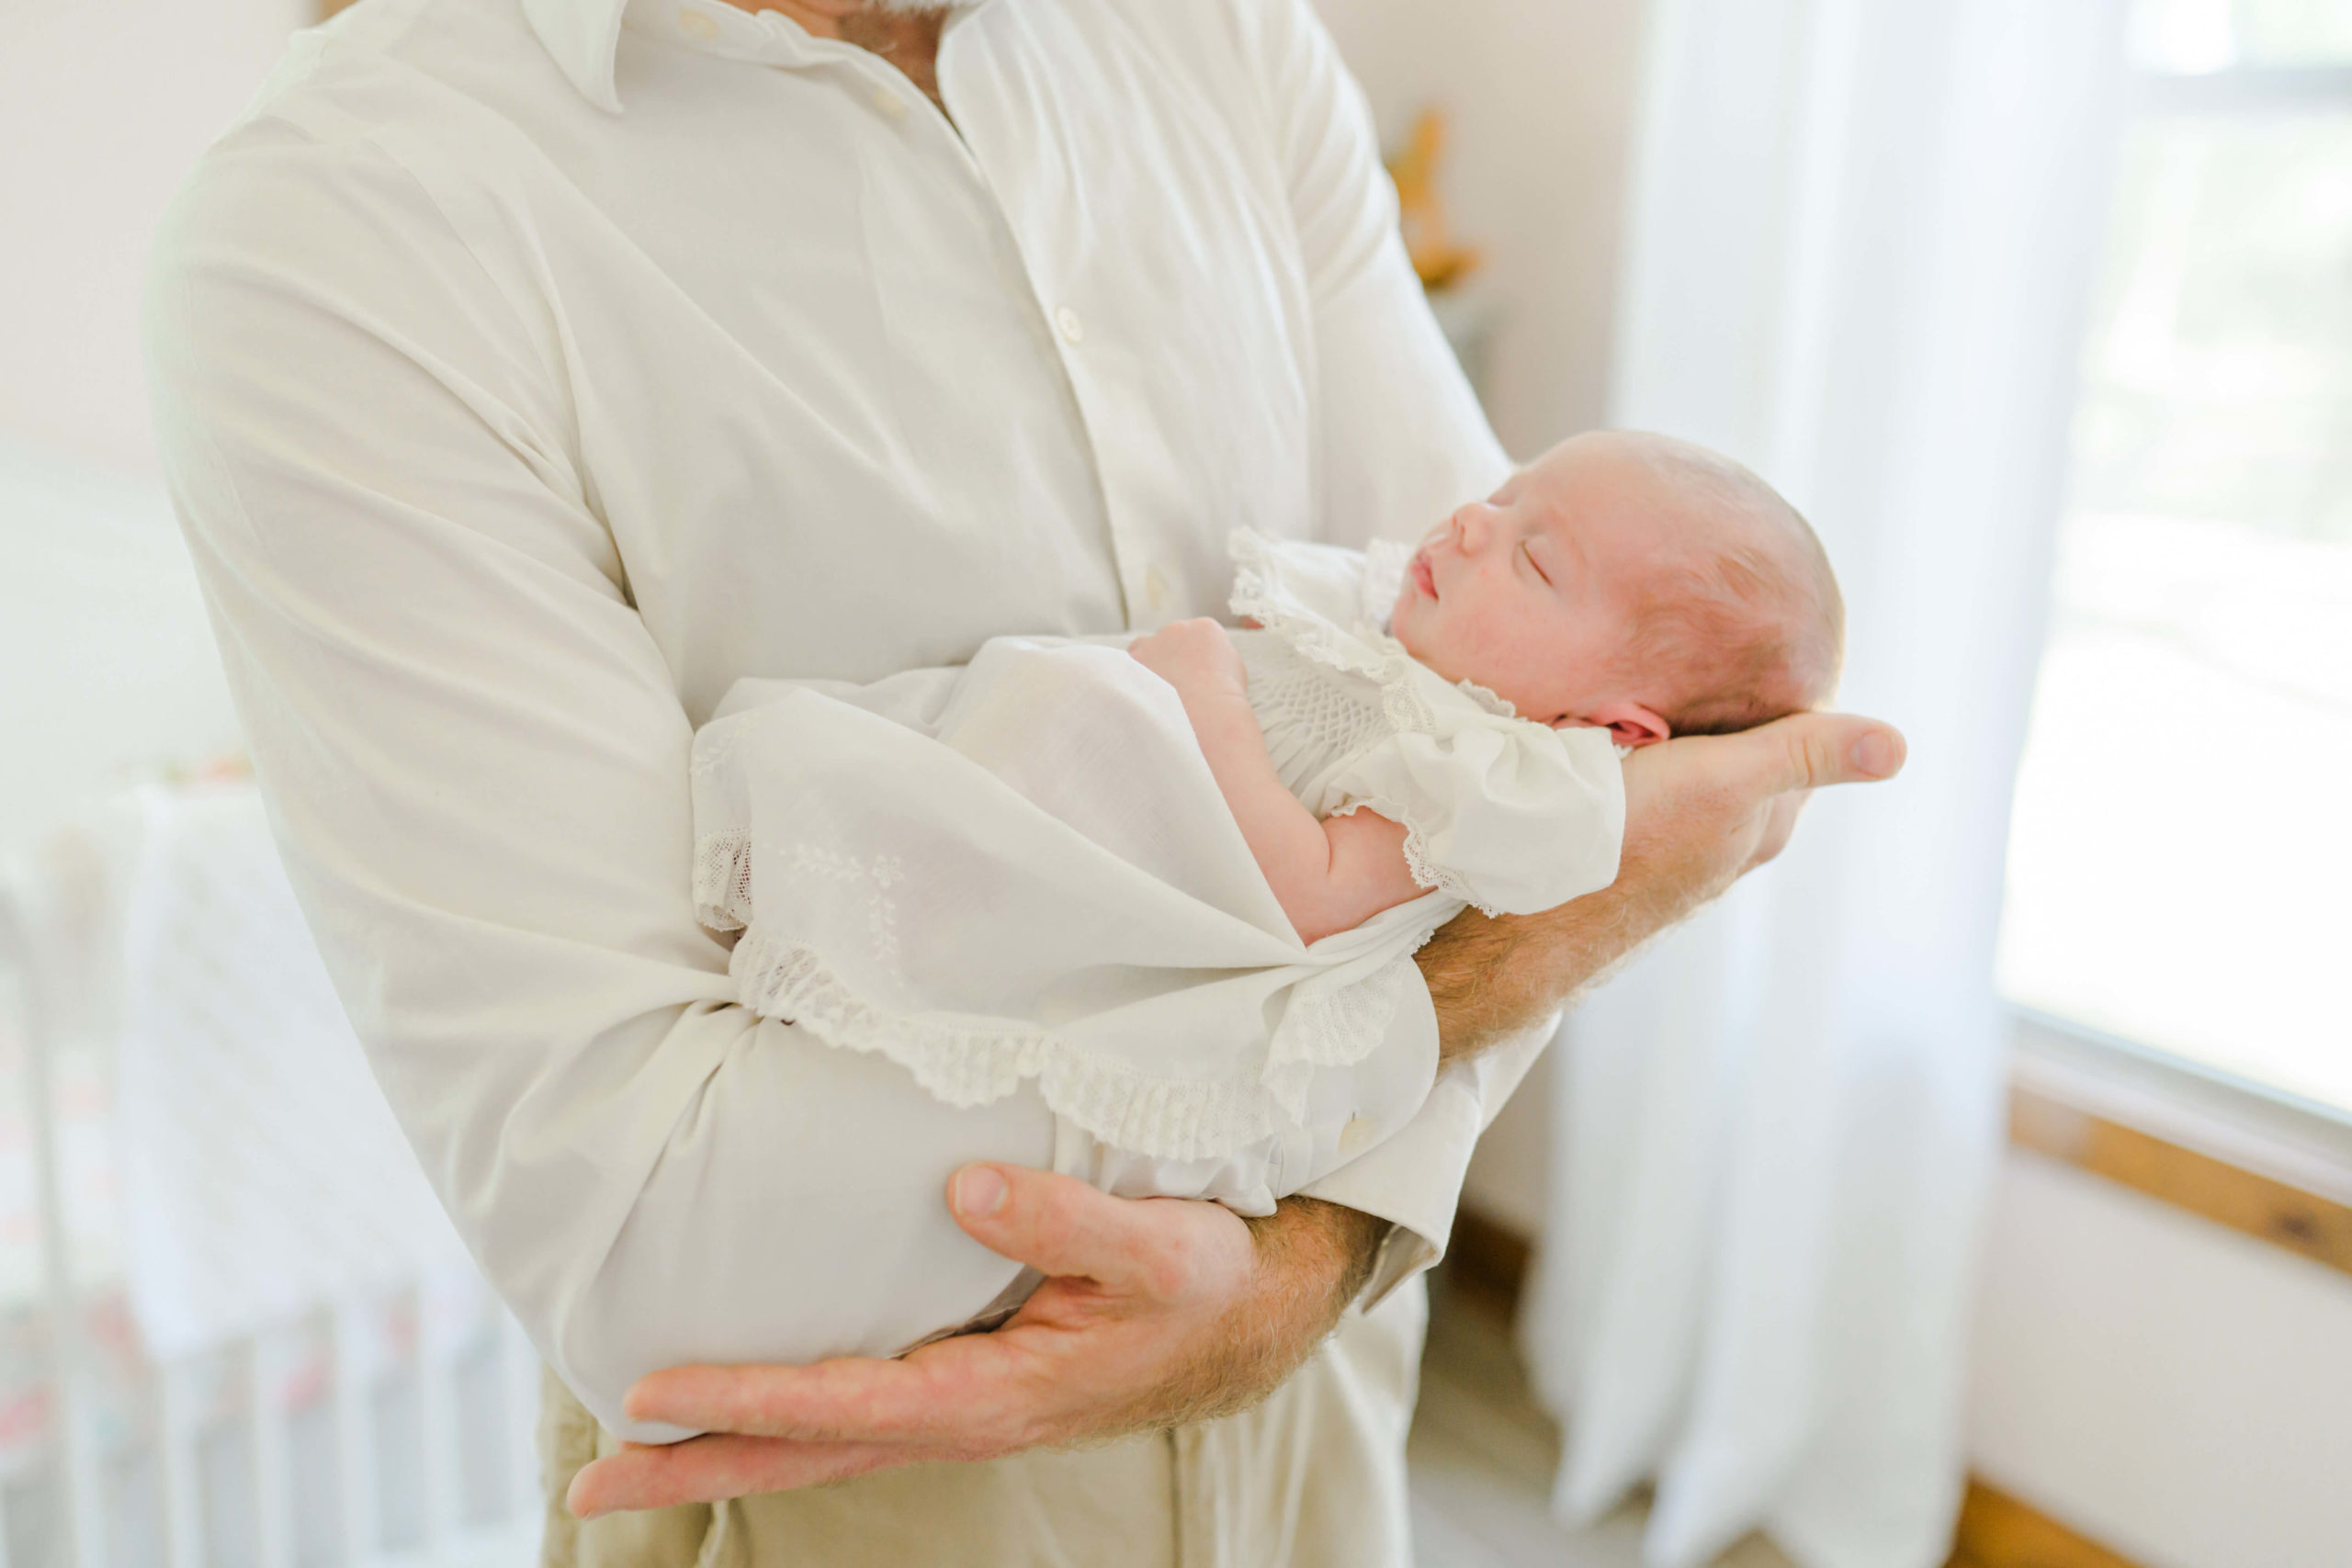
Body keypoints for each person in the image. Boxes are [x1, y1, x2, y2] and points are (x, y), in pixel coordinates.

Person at [141, 0, 1905, 1561]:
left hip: (1321, 1461)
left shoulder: (1225, 43)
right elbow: (662, 1250)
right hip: (843, 1515)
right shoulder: (349, 220)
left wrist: (1296, 1279)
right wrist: (1370, 1090)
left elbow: (1534, 765)